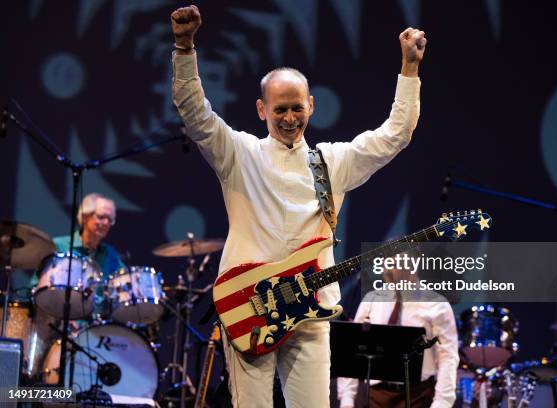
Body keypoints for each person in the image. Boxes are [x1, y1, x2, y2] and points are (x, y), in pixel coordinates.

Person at [171, 5, 426, 407]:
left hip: (312, 313)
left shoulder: (333, 162)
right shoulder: (240, 154)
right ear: (261, 110)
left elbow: (395, 135)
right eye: (279, 109)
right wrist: (185, 49)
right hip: (249, 306)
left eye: (296, 108)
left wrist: (409, 70)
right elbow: (195, 113)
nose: (289, 118)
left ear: (311, 105)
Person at [337, 257, 460, 408]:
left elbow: (448, 357)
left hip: (417, 395)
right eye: (385, 264)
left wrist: (442, 403)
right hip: (376, 395)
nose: (387, 270)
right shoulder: (372, 300)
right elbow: (354, 349)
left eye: (394, 264)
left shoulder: (436, 304)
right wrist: (347, 399)